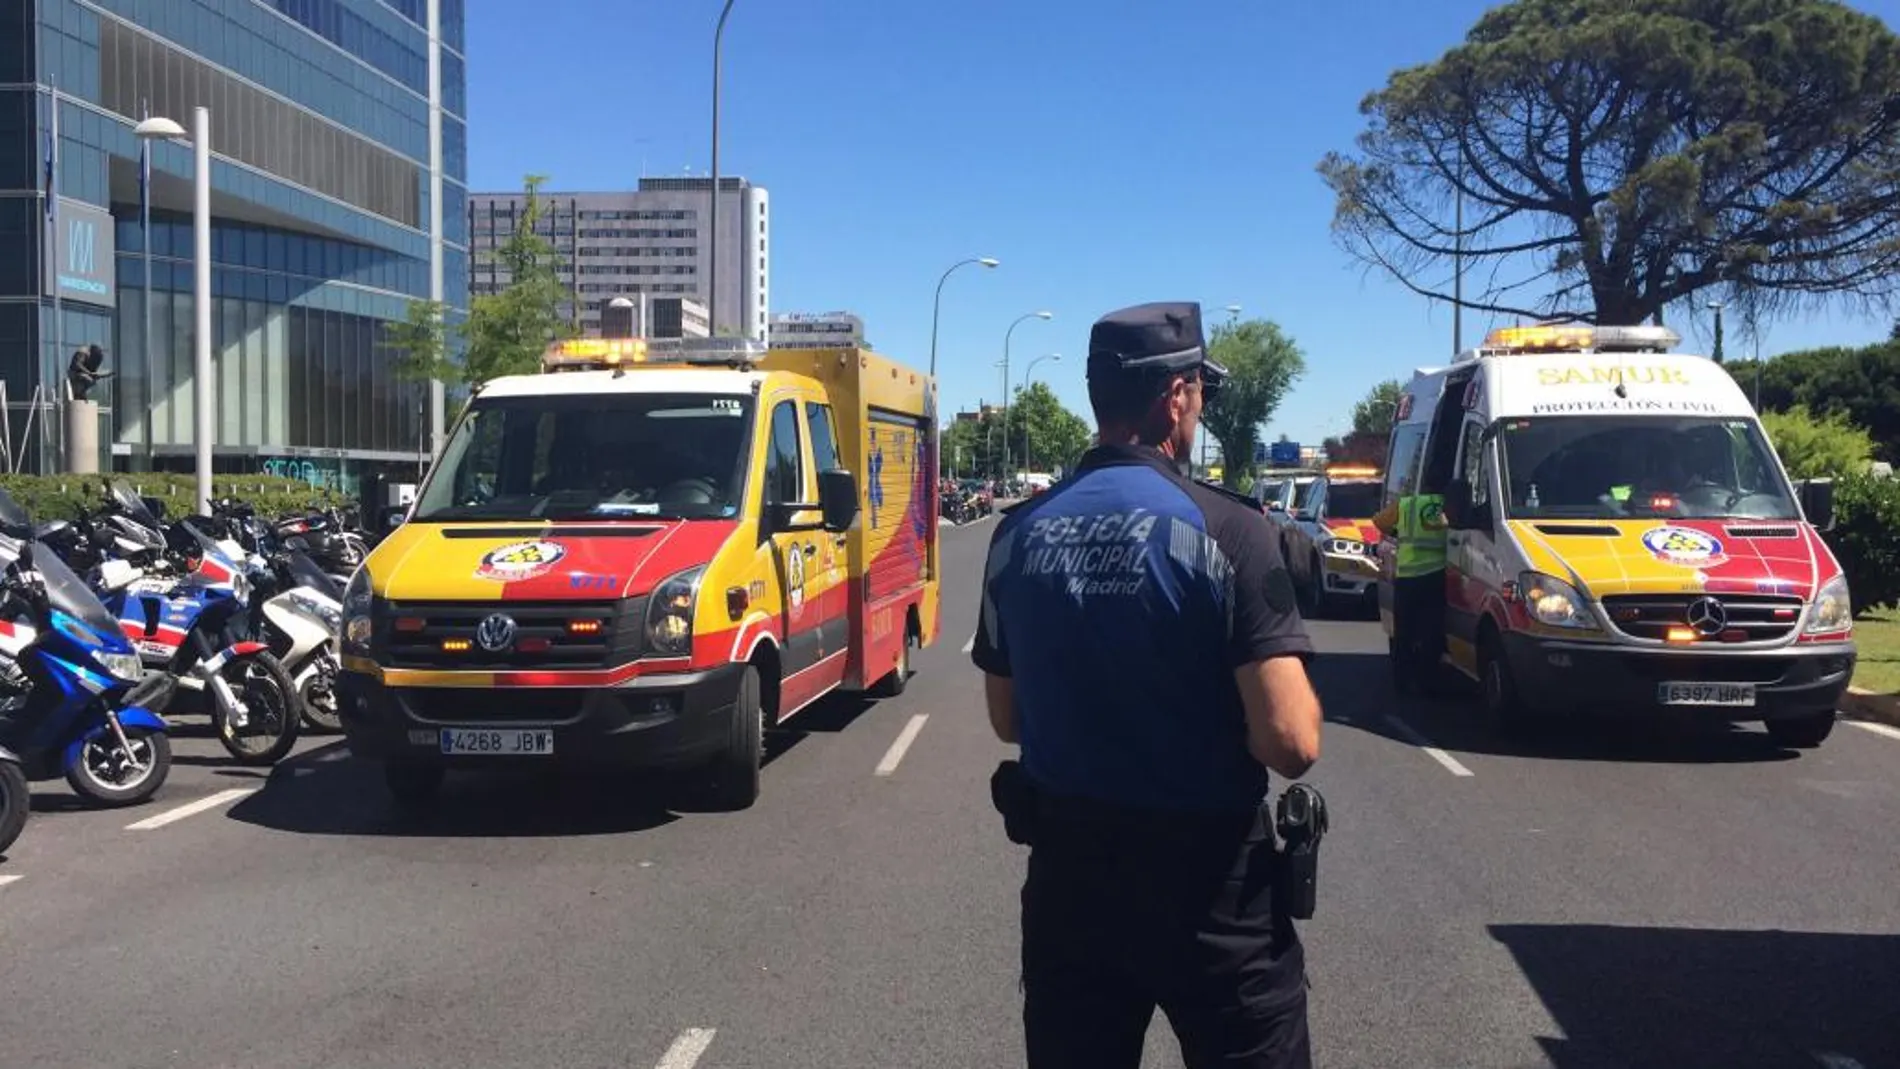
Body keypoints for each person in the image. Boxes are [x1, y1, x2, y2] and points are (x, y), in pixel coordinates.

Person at [972, 301, 1325, 1069]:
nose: (1200, 406)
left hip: (1071, 888)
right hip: (1212, 893)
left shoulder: (1016, 535)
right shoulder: (1231, 529)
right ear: (1176, 397)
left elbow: (1007, 718)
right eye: (1199, 390)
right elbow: (1291, 741)